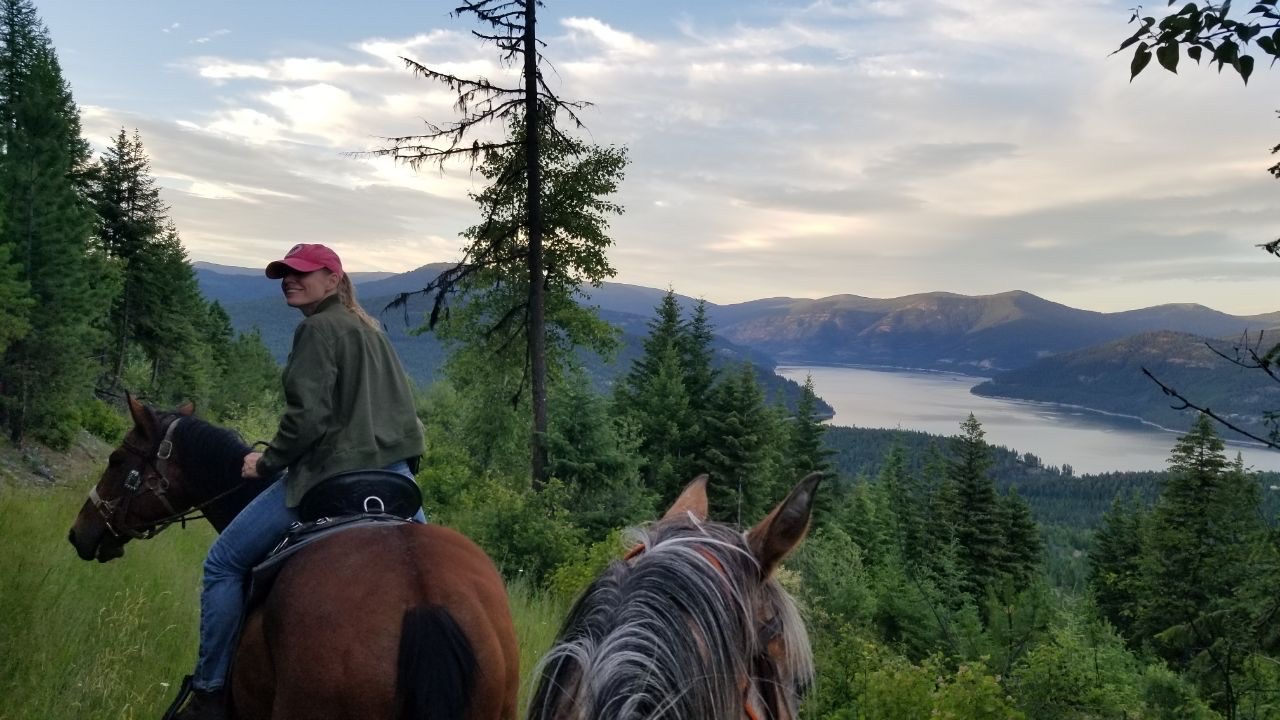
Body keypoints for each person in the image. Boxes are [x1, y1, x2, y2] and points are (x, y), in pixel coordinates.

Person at [176, 243, 426, 720]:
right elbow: (406, 417)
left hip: (332, 475)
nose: (290, 280)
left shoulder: (316, 329)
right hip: (393, 477)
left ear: (333, 279)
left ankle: (208, 692)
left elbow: (306, 420)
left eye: (303, 273)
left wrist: (266, 464)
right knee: (429, 564)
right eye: (285, 274)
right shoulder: (370, 330)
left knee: (223, 564)